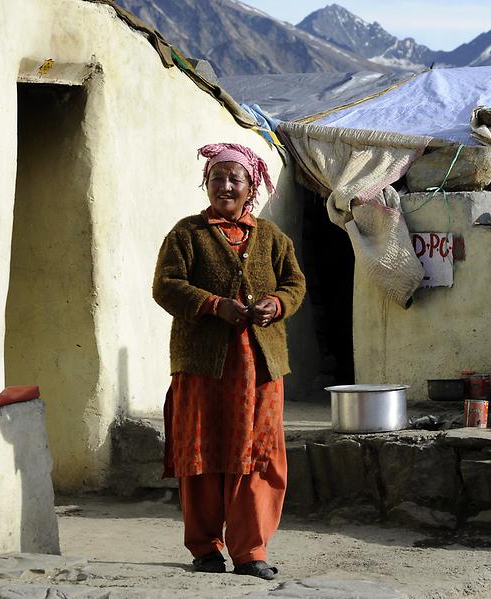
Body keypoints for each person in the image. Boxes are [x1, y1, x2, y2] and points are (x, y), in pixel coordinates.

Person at [152, 143, 305, 580]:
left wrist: (277, 303)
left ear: (250, 185)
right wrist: (212, 304)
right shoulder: (187, 234)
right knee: (200, 451)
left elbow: (295, 283)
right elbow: (166, 285)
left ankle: (250, 551)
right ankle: (205, 550)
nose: (225, 186)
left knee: (257, 454)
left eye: (234, 178)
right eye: (217, 177)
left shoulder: (273, 238)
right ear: (206, 183)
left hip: (260, 367)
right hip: (202, 365)